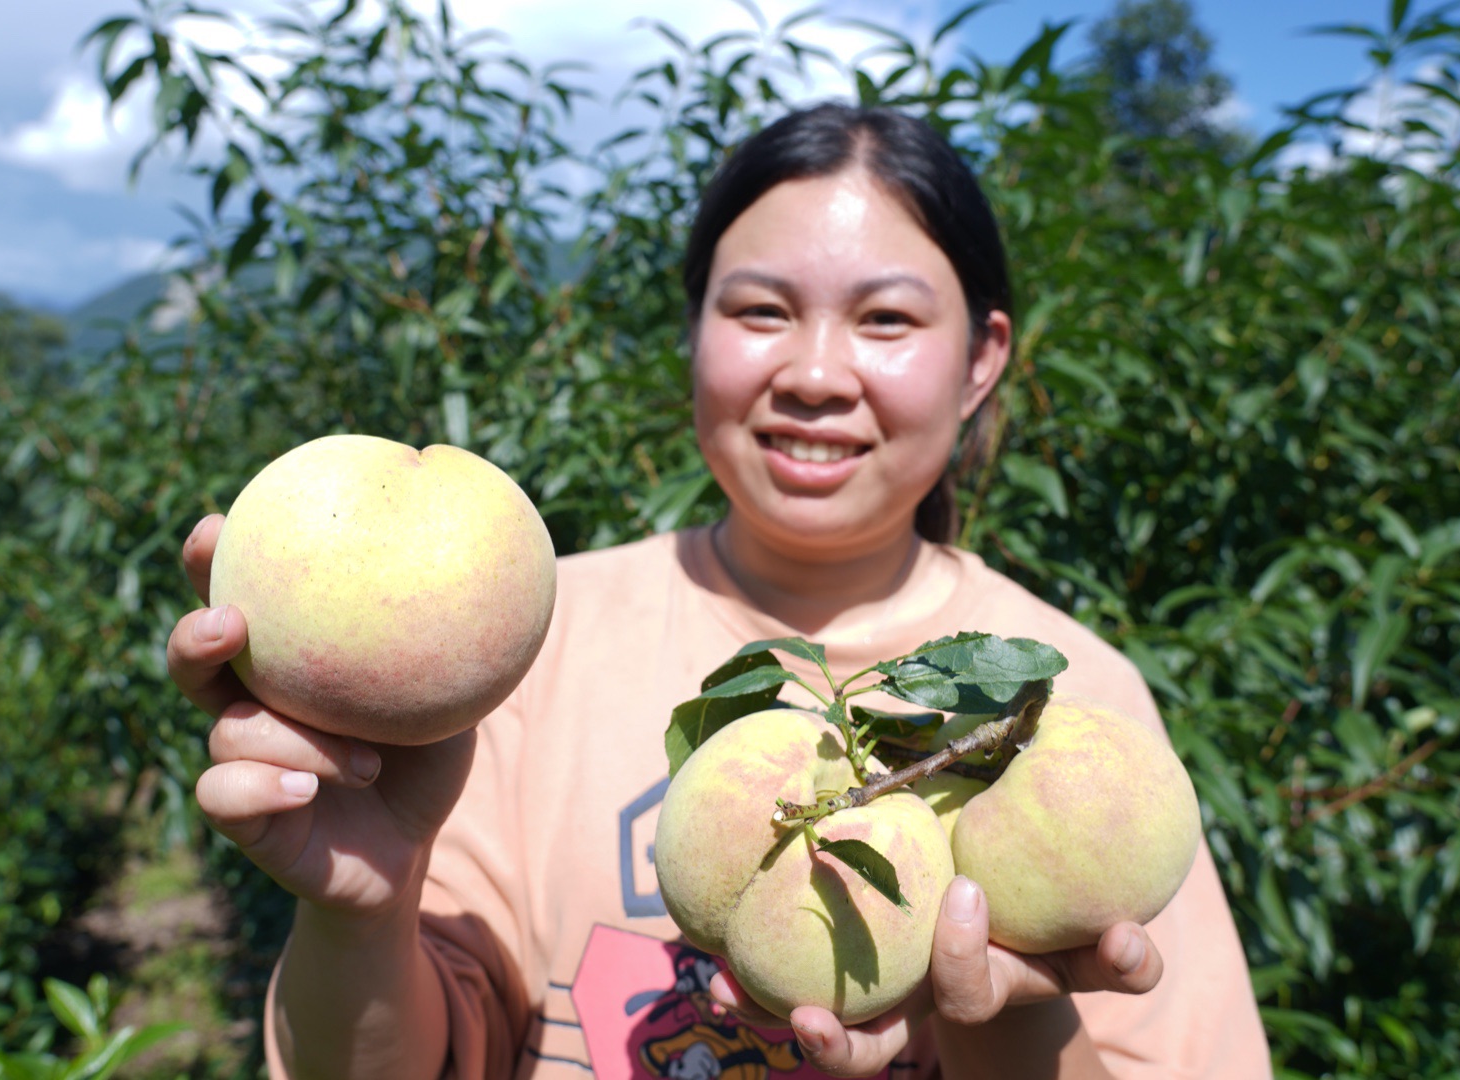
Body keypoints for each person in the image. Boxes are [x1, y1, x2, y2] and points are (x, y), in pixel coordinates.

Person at [167, 103, 1271, 1079]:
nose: (816, 374)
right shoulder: (511, 656)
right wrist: (361, 908)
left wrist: (1007, 1025)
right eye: (758, 311)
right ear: (691, 332)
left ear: (982, 360)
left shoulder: (1066, 714)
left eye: (885, 320)